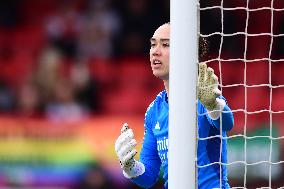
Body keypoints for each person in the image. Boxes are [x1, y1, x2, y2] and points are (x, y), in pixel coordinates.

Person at [115, 22, 234, 189]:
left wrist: (213, 105)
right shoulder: (153, 111)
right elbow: (149, 176)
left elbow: (227, 123)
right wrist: (130, 167)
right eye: (153, 44)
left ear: (187, 52)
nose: (155, 51)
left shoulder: (204, 96)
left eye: (165, 44)